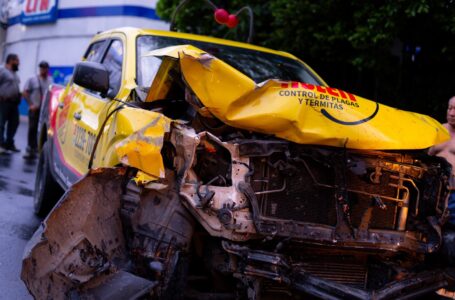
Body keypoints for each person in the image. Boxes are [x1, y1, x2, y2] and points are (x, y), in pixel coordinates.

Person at [429, 96, 455, 224]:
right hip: (433, 191)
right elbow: (427, 159)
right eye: (449, 108)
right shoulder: (438, 130)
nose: (452, 113)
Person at [23, 61, 52, 159]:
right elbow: (25, 92)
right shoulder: (32, 79)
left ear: (48, 69)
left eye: (45, 68)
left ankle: (37, 148)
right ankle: (30, 148)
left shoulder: (50, 80)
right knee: (32, 128)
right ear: (39, 68)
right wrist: (31, 105)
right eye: (42, 68)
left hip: (45, 110)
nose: (43, 70)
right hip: (35, 109)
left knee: (43, 129)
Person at [0, 53, 21, 153]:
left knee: (14, 123)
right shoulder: (2, 71)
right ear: (11, 60)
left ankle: (9, 143)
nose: (19, 63)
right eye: (17, 60)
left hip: (14, 103)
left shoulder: (14, 73)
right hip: (3, 102)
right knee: (1, 123)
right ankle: (1, 144)